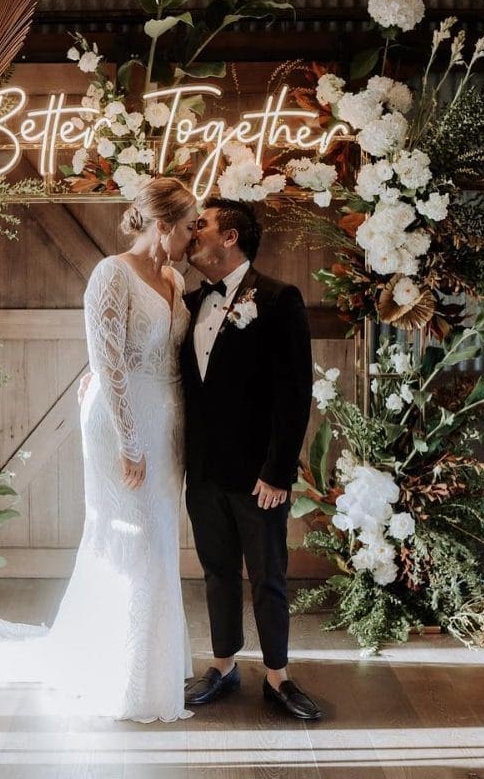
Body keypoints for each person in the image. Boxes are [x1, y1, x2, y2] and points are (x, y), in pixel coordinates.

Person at [0, 177, 199, 723]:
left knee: (160, 536)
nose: (192, 237)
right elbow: (108, 360)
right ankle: (127, 673)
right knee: (129, 537)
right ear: (162, 225)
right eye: (187, 227)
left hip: (170, 420)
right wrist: (130, 442)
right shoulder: (110, 275)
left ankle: (159, 658)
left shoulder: (174, 279)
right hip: (124, 422)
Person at [180, 198, 321, 720]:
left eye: (203, 226)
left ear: (231, 237)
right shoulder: (192, 302)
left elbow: (294, 390)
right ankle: (222, 665)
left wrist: (279, 471)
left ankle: (279, 676)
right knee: (217, 571)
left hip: (259, 475)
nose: (194, 234)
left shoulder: (280, 299)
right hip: (204, 471)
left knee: (269, 575)